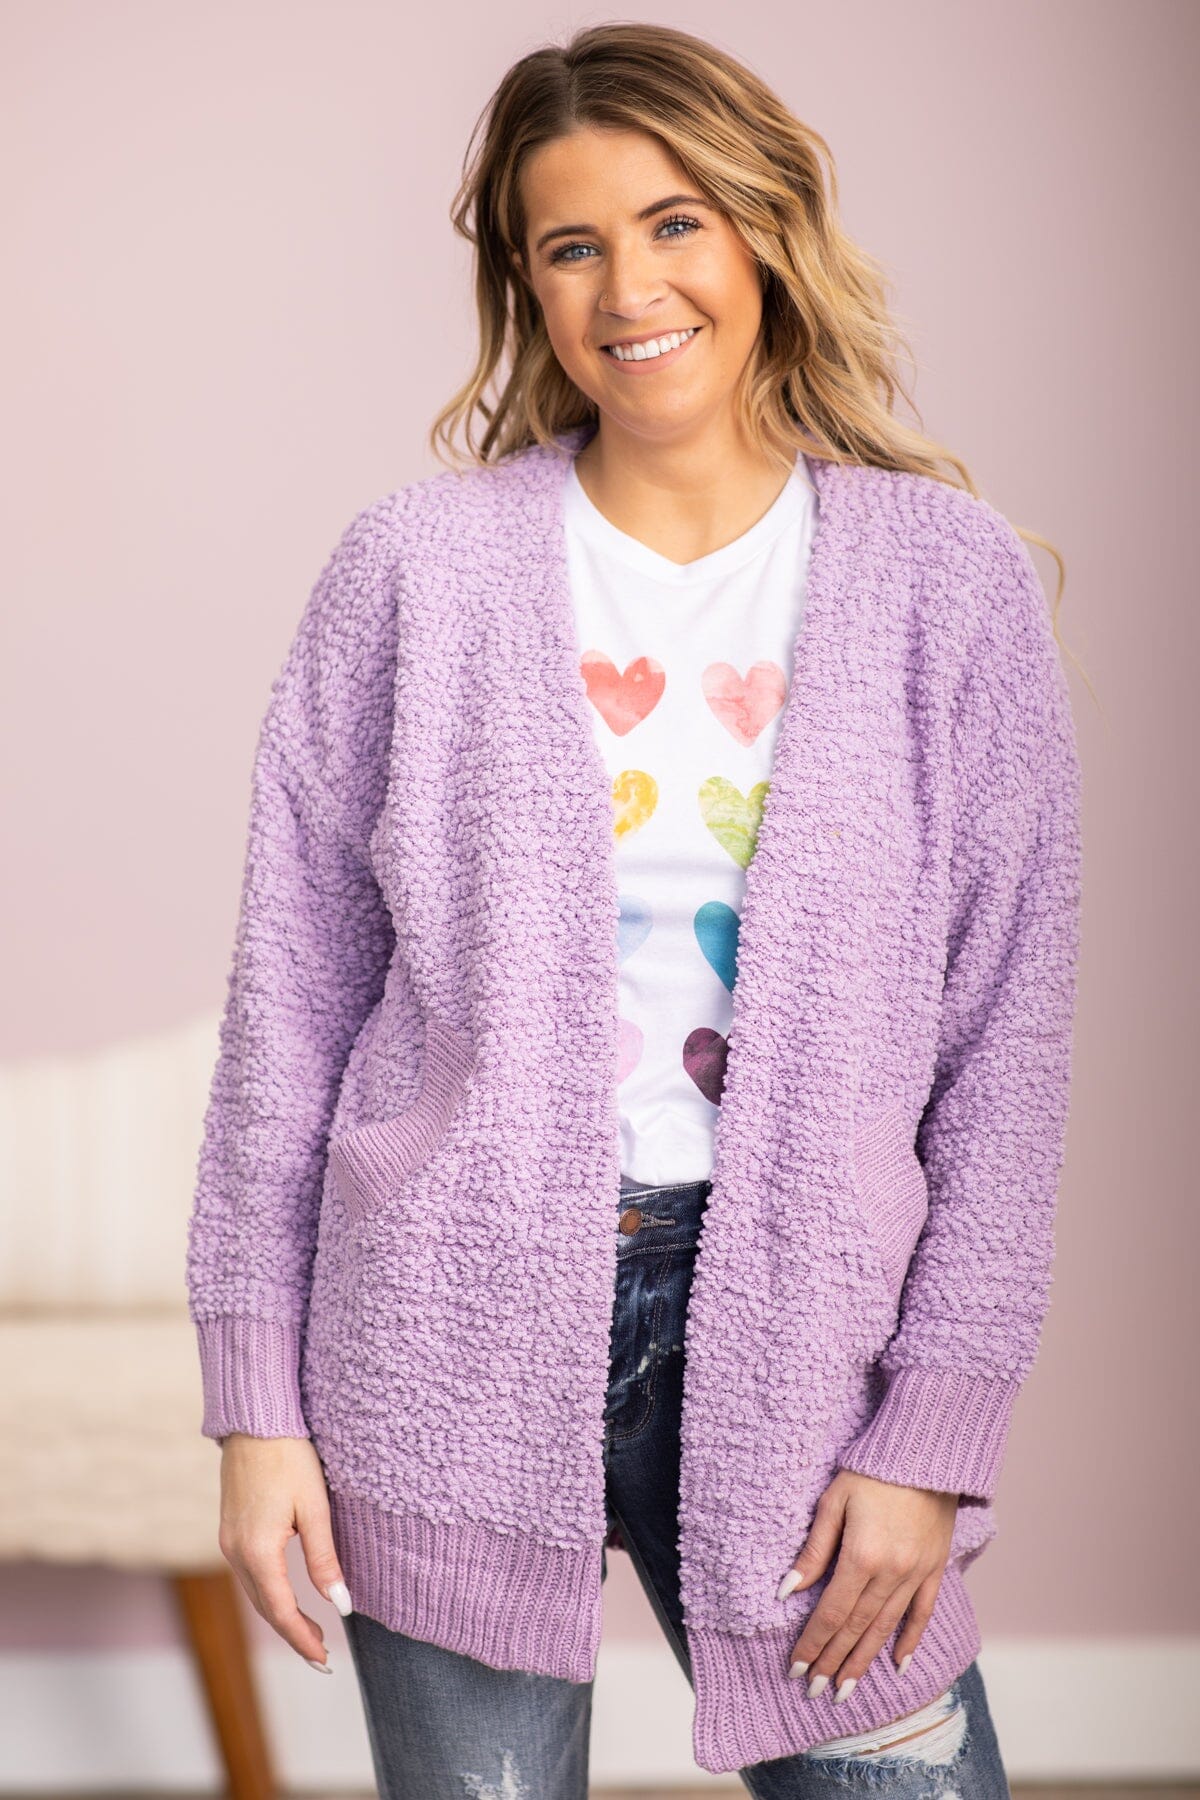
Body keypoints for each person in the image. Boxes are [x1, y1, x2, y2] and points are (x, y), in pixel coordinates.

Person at [185, 22, 1083, 1798]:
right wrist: (256, 1407)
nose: (631, 287)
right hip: (438, 1324)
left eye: (677, 224)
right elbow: (289, 1006)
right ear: (525, 286)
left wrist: (933, 1434)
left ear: (765, 231)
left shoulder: (949, 586)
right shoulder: (414, 571)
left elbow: (1007, 1048)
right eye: (572, 245)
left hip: (809, 1335)